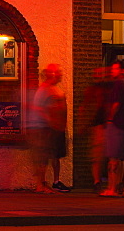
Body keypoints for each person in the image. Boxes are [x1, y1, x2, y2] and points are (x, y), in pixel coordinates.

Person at [28, 63, 70, 193]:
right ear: (51, 74)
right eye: (58, 73)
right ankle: (41, 184)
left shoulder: (54, 89)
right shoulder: (43, 90)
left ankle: (56, 181)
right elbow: (37, 108)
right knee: (43, 156)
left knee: (55, 155)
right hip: (44, 128)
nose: (60, 76)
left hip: (55, 128)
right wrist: (49, 120)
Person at [101, 59, 124, 198]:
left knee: (114, 158)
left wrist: (110, 119)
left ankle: (111, 188)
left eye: (115, 68)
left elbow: (116, 104)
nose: (112, 70)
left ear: (122, 70)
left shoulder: (119, 84)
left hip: (118, 124)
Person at [79, 66, 111, 192]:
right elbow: (85, 106)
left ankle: (109, 182)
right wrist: (83, 124)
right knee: (97, 155)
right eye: (96, 74)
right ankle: (97, 181)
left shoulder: (110, 89)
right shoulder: (92, 90)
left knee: (109, 155)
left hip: (108, 125)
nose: (98, 77)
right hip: (98, 125)